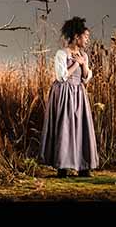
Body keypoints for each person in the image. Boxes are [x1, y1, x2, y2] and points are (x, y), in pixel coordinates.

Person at [39, 17, 99, 178]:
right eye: (85, 36)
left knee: (81, 127)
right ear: (76, 36)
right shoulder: (62, 54)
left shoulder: (83, 55)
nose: (87, 40)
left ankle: (83, 166)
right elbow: (61, 77)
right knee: (65, 127)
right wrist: (76, 64)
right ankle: (63, 166)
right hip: (64, 93)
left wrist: (83, 64)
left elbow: (86, 78)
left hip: (79, 93)